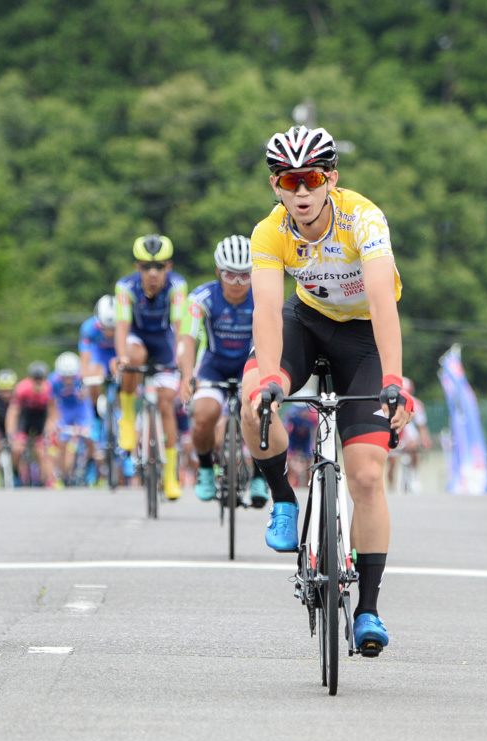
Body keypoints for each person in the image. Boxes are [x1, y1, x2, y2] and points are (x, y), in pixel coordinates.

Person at [240, 125, 414, 657]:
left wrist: (394, 383)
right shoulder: (269, 233)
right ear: (276, 186)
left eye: (311, 179)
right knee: (252, 399)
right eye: (288, 181)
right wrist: (270, 379)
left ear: (330, 179)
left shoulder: (364, 218)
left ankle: (368, 608)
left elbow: (385, 304)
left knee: (365, 474)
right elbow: (268, 310)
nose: (301, 192)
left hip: (363, 339)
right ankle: (283, 499)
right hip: (307, 323)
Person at [177, 234, 268, 506]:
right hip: (213, 366)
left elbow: (274, 336)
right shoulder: (201, 297)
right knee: (204, 415)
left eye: (245, 276)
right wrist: (187, 375)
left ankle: (261, 476)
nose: (238, 284)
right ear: (219, 272)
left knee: (262, 414)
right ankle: (205, 467)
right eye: (230, 276)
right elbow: (188, 337)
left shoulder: (262, 296)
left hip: (249, 365)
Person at [114, 234, 187, 500]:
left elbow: (179, 326)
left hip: (165, 343)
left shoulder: (177, 286)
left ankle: (170, 476)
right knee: (133, 357)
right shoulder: (125, 287)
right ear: (138, 267)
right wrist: (121, 357)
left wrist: (182, 358)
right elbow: (122, 327)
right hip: (138, 340)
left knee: (167, 404)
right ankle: (128, 416)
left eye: (159, 267)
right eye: (146, 267)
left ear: (168, 266)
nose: (153, 273)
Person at [49, 351, 95, 486]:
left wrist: (82, 389)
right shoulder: (52, 381)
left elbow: (86, 396)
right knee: (62, 442)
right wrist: (54, 422)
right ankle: (64, 475)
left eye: (70, 376)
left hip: (81, 409)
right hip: (64, 410)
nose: (68, 380)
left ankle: (89, 462)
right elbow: (52, 404)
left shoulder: (81, 377)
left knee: (90, 437)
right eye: (65, 377)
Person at [6, 360, 55, 486]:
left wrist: (48, 430)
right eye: (35, 380)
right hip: (25, 418)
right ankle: (17, 475)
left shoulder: (50, 390)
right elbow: (13, 412)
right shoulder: (22, 389)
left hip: (41, 419)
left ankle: (44, 480)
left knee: (41, 451)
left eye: (41, 380)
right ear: (30, 379)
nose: (38, 383)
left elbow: (53, 414)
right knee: (17, 449)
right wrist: (11, 433)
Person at [78, 295, 117, 411]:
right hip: (99, 355)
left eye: (113, 328)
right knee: (92, 377)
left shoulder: (127, 326)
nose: (109, 333)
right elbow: (85, 357)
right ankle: (96, 416)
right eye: (105, 328)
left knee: (123, 374)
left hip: (118, 354)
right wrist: (84, 379)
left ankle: (122, 412)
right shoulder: (88, 328)